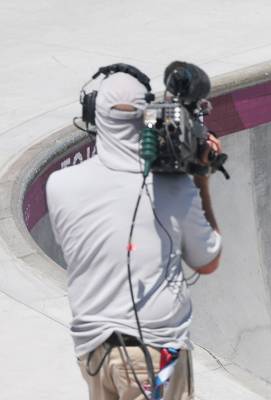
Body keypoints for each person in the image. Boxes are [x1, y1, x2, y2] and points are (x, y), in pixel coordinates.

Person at [46, 66, 222, 400]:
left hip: (94, 351)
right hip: (157, 353)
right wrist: (200, 177)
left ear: (93, 115)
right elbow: (207, 261)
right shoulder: (174, 188)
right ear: (147, 117)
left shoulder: (58, 185)